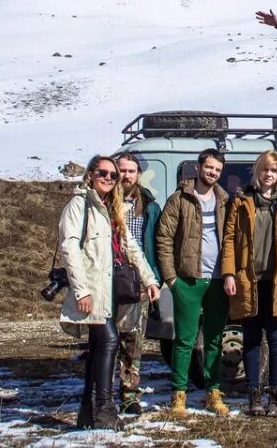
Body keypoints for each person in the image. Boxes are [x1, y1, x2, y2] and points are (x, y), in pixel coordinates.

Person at [59, 155, 160, 430]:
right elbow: (69, 249)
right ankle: (104, 409)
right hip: (92, 290)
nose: (109, 178)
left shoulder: (112, 208)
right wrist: (81, 291)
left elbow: (131, 248)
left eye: (113, 175)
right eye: (103, 173)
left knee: (98, 348)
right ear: (90, 174)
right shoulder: (79, 205)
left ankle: (88, 411)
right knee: (109, 342)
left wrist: (149, 280)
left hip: (111, 289)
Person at [221, 150, 277, 417]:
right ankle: (254, 397)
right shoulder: (242, 201)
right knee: (252, 338)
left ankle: (275, 398)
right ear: (258, 171)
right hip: (249, 279)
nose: (269, 174)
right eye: (266, 169)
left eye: (274, 170)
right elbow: (230, 240)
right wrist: (229, 274)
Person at [155, 148, 232, 417]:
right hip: (188, 280)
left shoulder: (224, 200)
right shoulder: (179, 199)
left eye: (218, 170)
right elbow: (163, 238)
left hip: (218, 280)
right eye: (209, 167)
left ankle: (213, 392)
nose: (213, 172)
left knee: (214, 339)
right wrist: (171, 278)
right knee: (185, 340)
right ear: (199, 168)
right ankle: (178, 396)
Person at [114, 152, 161, 414]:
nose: (126, 175)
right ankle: (102, 393)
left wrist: (155, 277)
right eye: (122, 170)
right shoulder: (104, 202)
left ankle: (129, 395)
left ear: (138, 174)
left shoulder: (150, 205)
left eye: (131, 171)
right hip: (107, 279)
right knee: (107, 340)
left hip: (138, 281)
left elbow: (155, 243)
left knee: (133, 342)